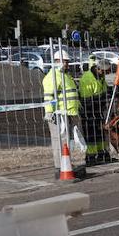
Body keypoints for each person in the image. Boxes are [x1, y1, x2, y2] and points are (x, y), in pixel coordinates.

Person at [42, 50, 84, 178]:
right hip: (58, 115)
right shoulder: (52, 77)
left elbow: (71, 93)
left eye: (67, 61)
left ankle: (67, 164)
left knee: (68, 141)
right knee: (58, 140)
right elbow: (49, 96)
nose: (67, 64)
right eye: (65, 61)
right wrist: (49, 112)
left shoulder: (65, 75)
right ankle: (59, 167)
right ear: (57, 62)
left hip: (69, 113)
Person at [79, 56, 111, 165]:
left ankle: (102, 153)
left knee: (100, 133)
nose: (106, 74)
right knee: (91, 134)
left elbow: (105, 91)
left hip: (98, 110)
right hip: (88, 111)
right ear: (99, 69)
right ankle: (91, 156)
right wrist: (102, 97)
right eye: (105, 72)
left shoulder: (100, 78)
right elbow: (86, 99)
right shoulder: (87, 79)